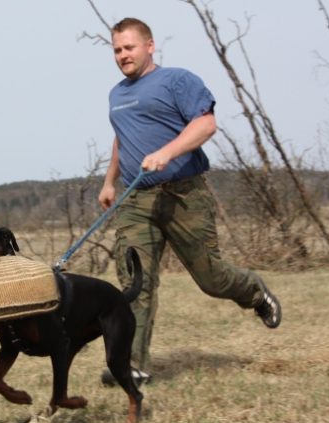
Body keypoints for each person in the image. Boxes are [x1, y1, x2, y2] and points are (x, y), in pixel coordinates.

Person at [98, 18, 282, 386]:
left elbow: (206, 124)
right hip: (137, 200)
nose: (123, 55)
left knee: (211, 279)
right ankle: (132, 365)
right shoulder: (116, 93)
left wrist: (167, 152)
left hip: (183, 194)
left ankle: (255, 291)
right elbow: (122, 138)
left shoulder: (177, 80)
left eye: (129, 47)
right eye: (117, 49)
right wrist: (109, 181)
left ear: (150, 47)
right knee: (136, 281)